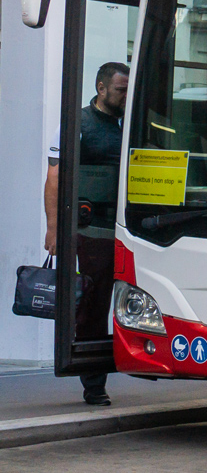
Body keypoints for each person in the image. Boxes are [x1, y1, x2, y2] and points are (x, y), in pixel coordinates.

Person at [44, 61, 129, 407]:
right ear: (101, 88)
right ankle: (94, 383)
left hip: (131, 230)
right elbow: (54, 177)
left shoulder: (133, 123)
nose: (126, 96)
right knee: (94, 304)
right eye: (121, 90)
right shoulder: (76, 124)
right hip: (93, 231)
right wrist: (54, 229)